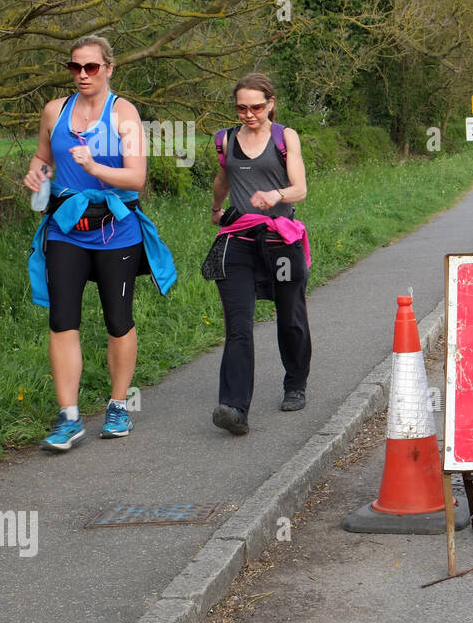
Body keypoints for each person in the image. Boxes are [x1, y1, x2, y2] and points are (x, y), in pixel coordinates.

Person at [23, 35, 177, 451]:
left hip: (115, 231)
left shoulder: (124, 114)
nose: (82, 75)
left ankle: (118, 404)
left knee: (118, 321)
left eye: (91, 67)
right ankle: (69, 416)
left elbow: (136, 178)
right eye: (75, 67)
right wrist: (36, 173)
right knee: (62, 320)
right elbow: (43, 156)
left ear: (109, 68)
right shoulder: (55, 111)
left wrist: (93, 165)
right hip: (65, 228)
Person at [204, 73, 311, 436]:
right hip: (238, 240)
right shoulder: (226, 139)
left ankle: (295, 382)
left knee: (289, 314)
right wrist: (217, 207)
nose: (249, 114)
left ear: (271, 103)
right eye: (241, 108)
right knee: (238, 324)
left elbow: (300, 188)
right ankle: (234, 408)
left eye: (256, 107)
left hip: (280, 241)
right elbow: (223, 177)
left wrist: (276, 195)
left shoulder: (285, 137)